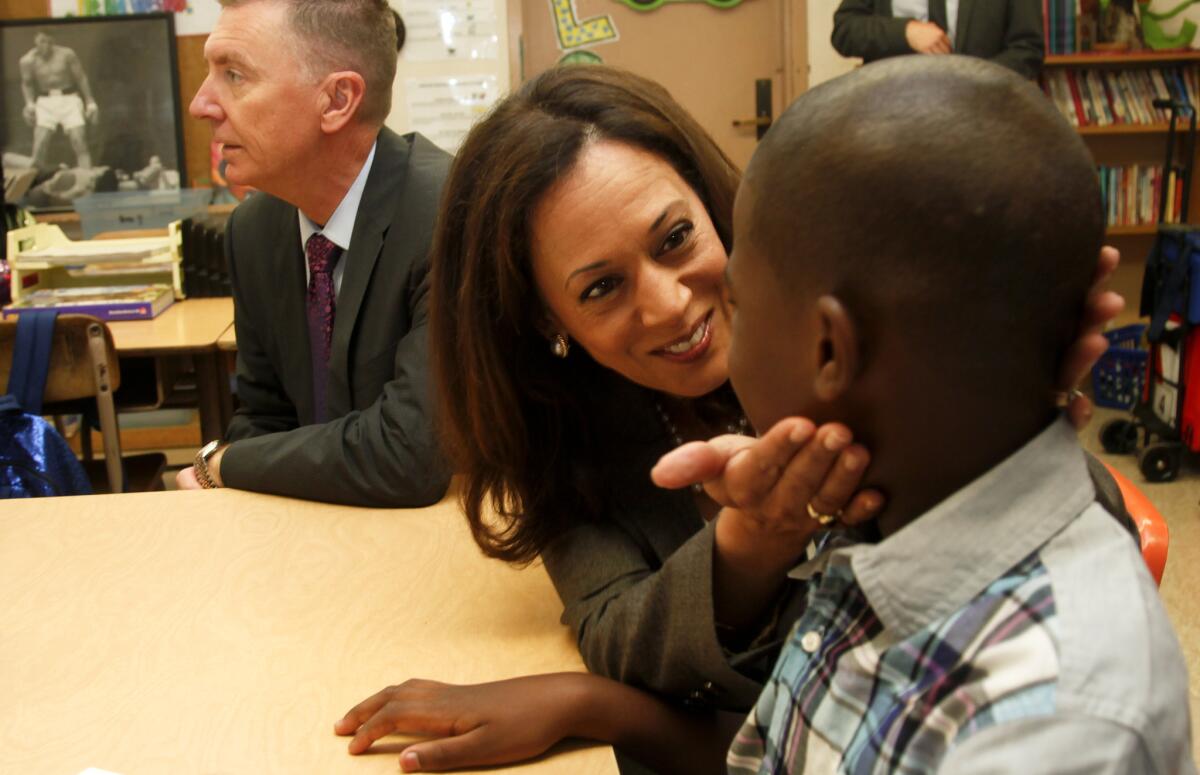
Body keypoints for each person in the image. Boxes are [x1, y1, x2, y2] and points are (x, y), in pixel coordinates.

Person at [333, 55, 1193, 774]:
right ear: (547, 323)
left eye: (679, 240)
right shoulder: (575, 427)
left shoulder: (891, 432)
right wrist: (746, 546)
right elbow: (785, 728)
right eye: (601, 287)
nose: (675, 306)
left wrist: (998, 369)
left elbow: (1023, 518)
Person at [180, 0, 452, 507]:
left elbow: (409, 456)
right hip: (313, 535)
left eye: (234, 75)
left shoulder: (450, 213)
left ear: (336, 100)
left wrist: (221, 464)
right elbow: (264, 417)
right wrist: (231, 464)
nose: (201, 104)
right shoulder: (254, 230)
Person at [831, 0, 1044, 80]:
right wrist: (904, 32)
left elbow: (1028, 50)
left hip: (980, 123)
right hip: (893, 122)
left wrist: (975, 81)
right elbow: (845, 31)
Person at [20, 32, 99, 170]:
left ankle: (87, 177)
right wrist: (29, 103)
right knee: (40, 143)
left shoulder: (66, 54)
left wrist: (90, 101)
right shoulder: (27, 61)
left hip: (69, 99)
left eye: (48, 41)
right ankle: (33, 180)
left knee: (78, 140)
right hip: (45, 101)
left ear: (53, 41)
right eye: (41, 41)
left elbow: (80, 77)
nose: (45, 45)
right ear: (35, 42)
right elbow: (27, 83)